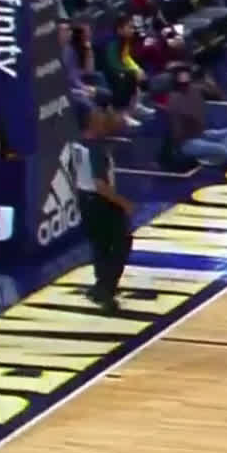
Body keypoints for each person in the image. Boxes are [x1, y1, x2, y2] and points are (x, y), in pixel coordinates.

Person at [74, 104, 132, 311]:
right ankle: (106, 288)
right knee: (121, 243)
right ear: (90, 121)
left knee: (100, 245)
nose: (103, 117)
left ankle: (100, 285)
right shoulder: (95, 149)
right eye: (98, 114)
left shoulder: (77, 143)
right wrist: (123, 203)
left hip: (85, 199)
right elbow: (100, 184)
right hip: (101, 202)